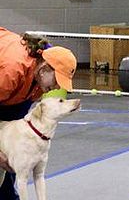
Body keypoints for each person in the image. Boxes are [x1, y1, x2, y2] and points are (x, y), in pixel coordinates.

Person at [0, 28, 77, 199]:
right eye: (57, 80)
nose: (58, 87)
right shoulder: (12, 70)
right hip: (5, 80)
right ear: (44, 69)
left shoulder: (39, 82)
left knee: (13, 156)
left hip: (13, 93)